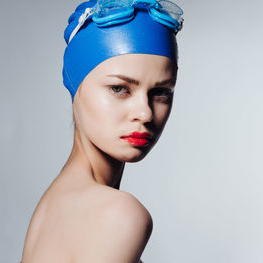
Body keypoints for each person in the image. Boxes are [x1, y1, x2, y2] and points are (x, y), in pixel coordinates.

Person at [21, 0, 184, 262]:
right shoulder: (117, 213)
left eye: (161, 92)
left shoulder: (52, 206)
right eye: (119, 88)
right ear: (76, 85)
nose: (144, 113)